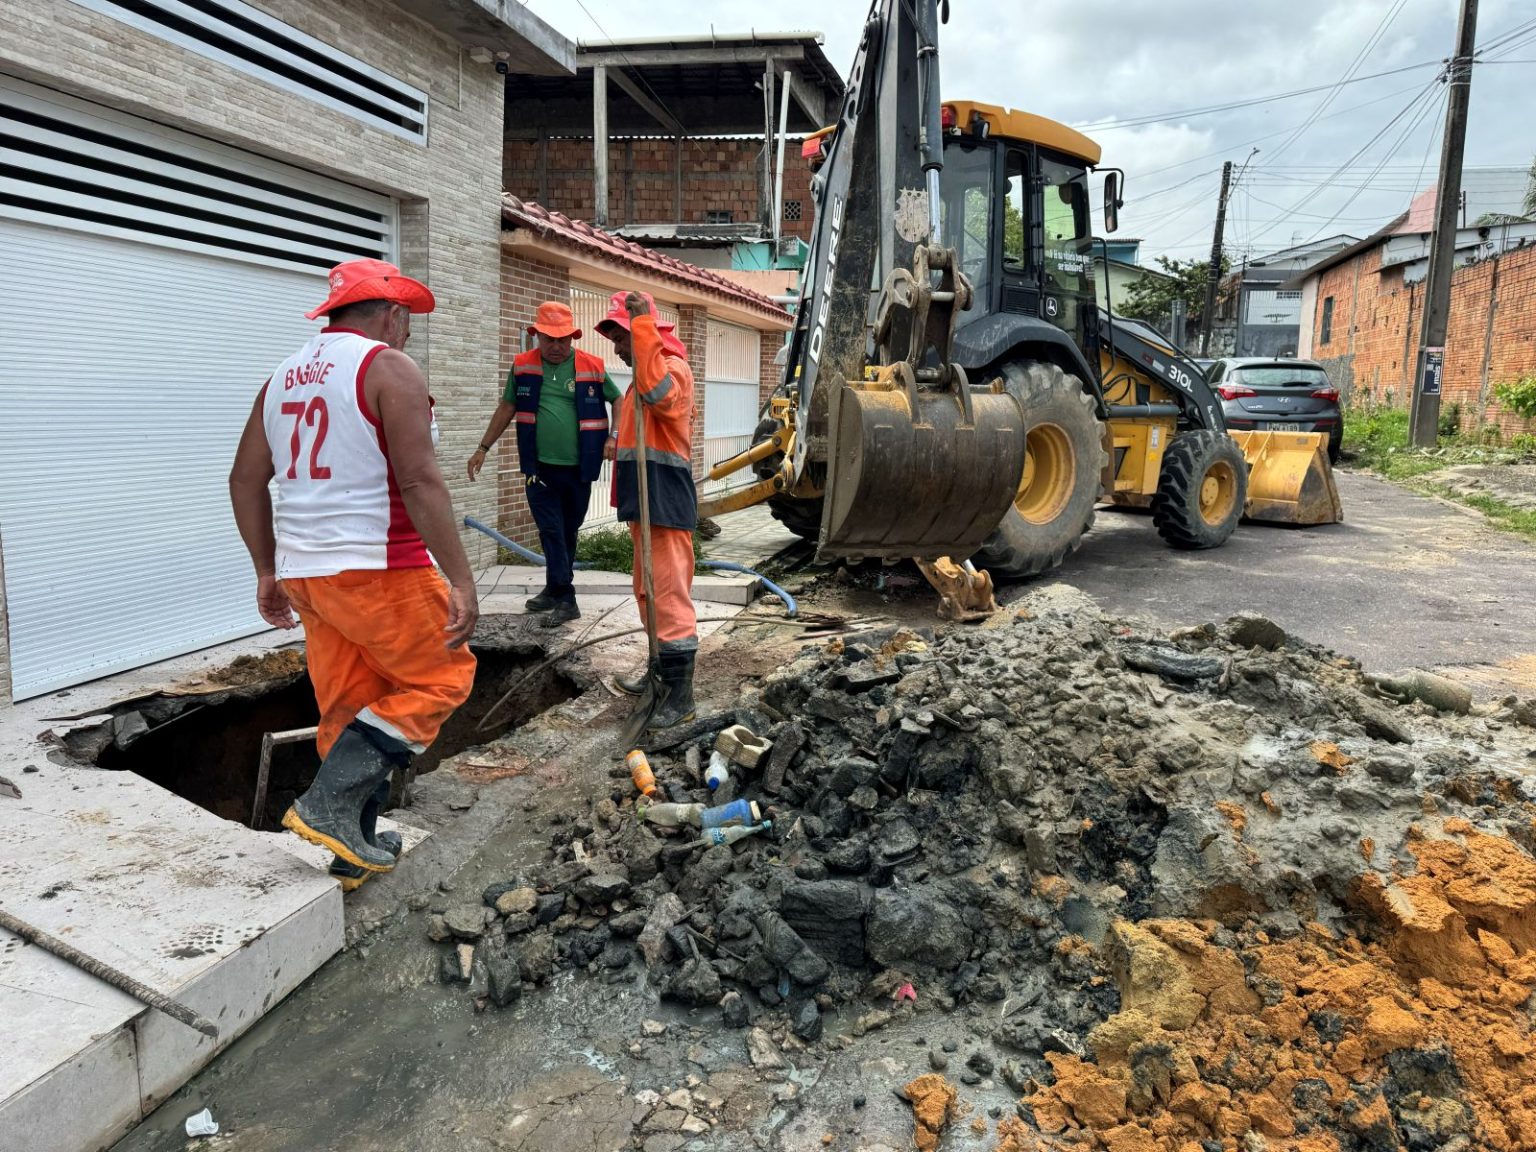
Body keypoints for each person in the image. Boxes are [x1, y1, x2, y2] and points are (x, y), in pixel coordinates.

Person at [229, 258, 478, 890]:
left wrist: (266, 570)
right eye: (408, 323)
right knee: (442, 678)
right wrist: (463, 579)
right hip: (380, 567)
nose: (408, 336)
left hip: (307, 576)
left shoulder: (280, 379)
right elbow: (421, 480)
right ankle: (329, 806)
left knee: (349, 702)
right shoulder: (386, 368)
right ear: (390, 314)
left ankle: (352, 847)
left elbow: (244, 480)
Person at [468, 302, 621, 627]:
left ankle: (553, 588)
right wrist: (483, 447)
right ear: (537, 335)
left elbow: (618, 398)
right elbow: (508, 406)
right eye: (549, 339)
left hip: (580, 468)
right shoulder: (523, 366)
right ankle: (567, 599)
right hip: (539, 469)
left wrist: (614, 437)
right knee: (551, 530)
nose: (555, 346)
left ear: (572, 338)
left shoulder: (591, 366)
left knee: (567, 531)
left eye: (562, 339)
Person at [596, 290, 698, 731]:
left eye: (622, 335)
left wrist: (642, 329)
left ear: (644, 332)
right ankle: (660, 670)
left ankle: (681, 696)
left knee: (669, 595)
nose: (617, 346)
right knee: (648, 590)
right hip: (646, 500)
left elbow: (661, 397)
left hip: (664, 499)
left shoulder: (670, 371)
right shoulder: (642, 376)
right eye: (618, 336)